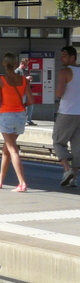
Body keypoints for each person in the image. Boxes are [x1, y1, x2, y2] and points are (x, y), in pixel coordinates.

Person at [0, 52, 33, 192]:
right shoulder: (24, 80)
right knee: (7, 149)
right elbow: (31, 101)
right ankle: (0, 180)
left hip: (6, 115)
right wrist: (21, 107)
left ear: (4, 63)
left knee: (13, 149)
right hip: (20, 115)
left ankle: (22, 183)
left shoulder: (0, 80)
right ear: (15, 64)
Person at [54, 45, 80, 188]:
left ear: (72, 57)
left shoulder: (65, 71)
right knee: (77, 147)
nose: (61, 58)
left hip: (67, 113)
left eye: (64, 56)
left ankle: (67, 169)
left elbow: (59, 93)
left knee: (58, 142)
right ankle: (74, 179)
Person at [15, 58, 37, 125]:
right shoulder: (17, 71)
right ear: (21, 64)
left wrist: (29, 79)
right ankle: (21, 120)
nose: (26, 67)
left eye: (27, 65)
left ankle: (28, 120)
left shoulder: (25, 71)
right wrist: (25, 78)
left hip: (26, 90)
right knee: (22, 105)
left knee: (30, 104)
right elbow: (16, 81)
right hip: (21, 91)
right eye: (25, 65)